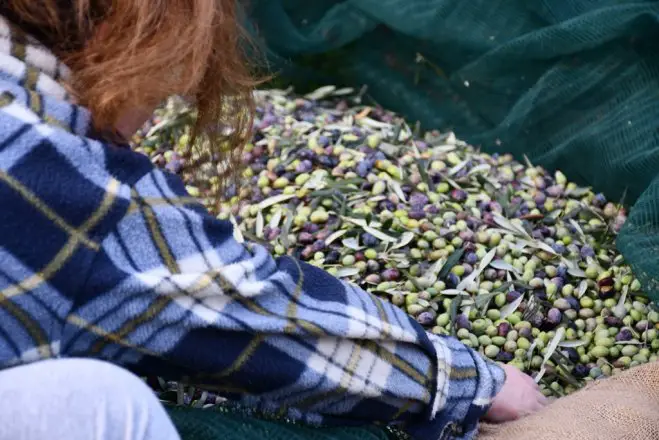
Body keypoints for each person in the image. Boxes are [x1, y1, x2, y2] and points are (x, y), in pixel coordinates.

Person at [0, 1, 546, 440]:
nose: (163, 102)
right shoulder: (76, 185)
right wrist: (464, 383)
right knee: (101, 404)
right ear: (134, 31)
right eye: (168, 82)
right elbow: (247, 308)